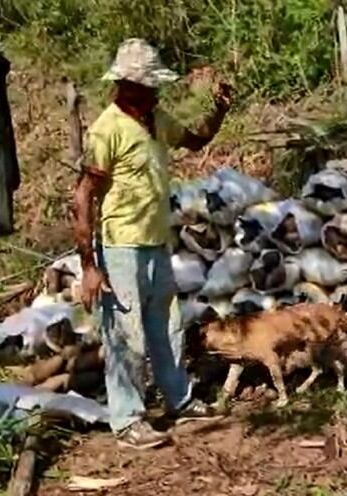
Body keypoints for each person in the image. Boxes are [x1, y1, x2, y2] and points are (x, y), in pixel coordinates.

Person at [73, 38, 232, 449]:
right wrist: (90, 267)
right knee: (125, 334)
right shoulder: (106, 130)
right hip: (120, 247)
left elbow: (195, 140)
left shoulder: (156, 119)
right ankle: (127, 421)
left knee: (167, 324)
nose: (155, 92)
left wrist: (219, 111)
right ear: (127, 86)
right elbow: (82, 197)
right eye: (148, 86)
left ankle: (179, 398)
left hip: (155, 241)